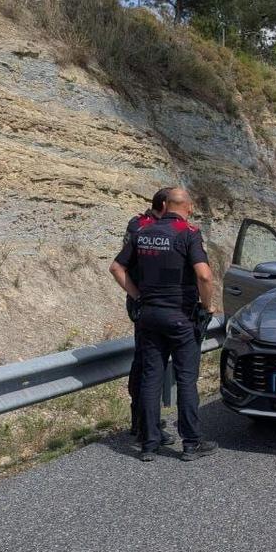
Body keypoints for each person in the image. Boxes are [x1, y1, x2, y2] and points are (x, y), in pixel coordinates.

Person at [110, 187, 218, 462]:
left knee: (150, 379)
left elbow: (116, 268)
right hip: (180, 317)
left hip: (148, 315)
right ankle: (191, 443)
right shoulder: (188, 233)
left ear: (165, 205)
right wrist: (207, 306)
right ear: (188, 207)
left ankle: (148, 443)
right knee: (186, 379)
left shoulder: (143, 232)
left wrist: (137, 295)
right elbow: (204, 276)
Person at [124, 188, 171, 443]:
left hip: (147, 302)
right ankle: (144, 425)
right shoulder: (143, 227)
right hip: (147, 303)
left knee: (146, 362)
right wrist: (139, 297)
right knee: (147, 364)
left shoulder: (140, 224)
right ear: (164, 205)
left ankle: (143, 421)